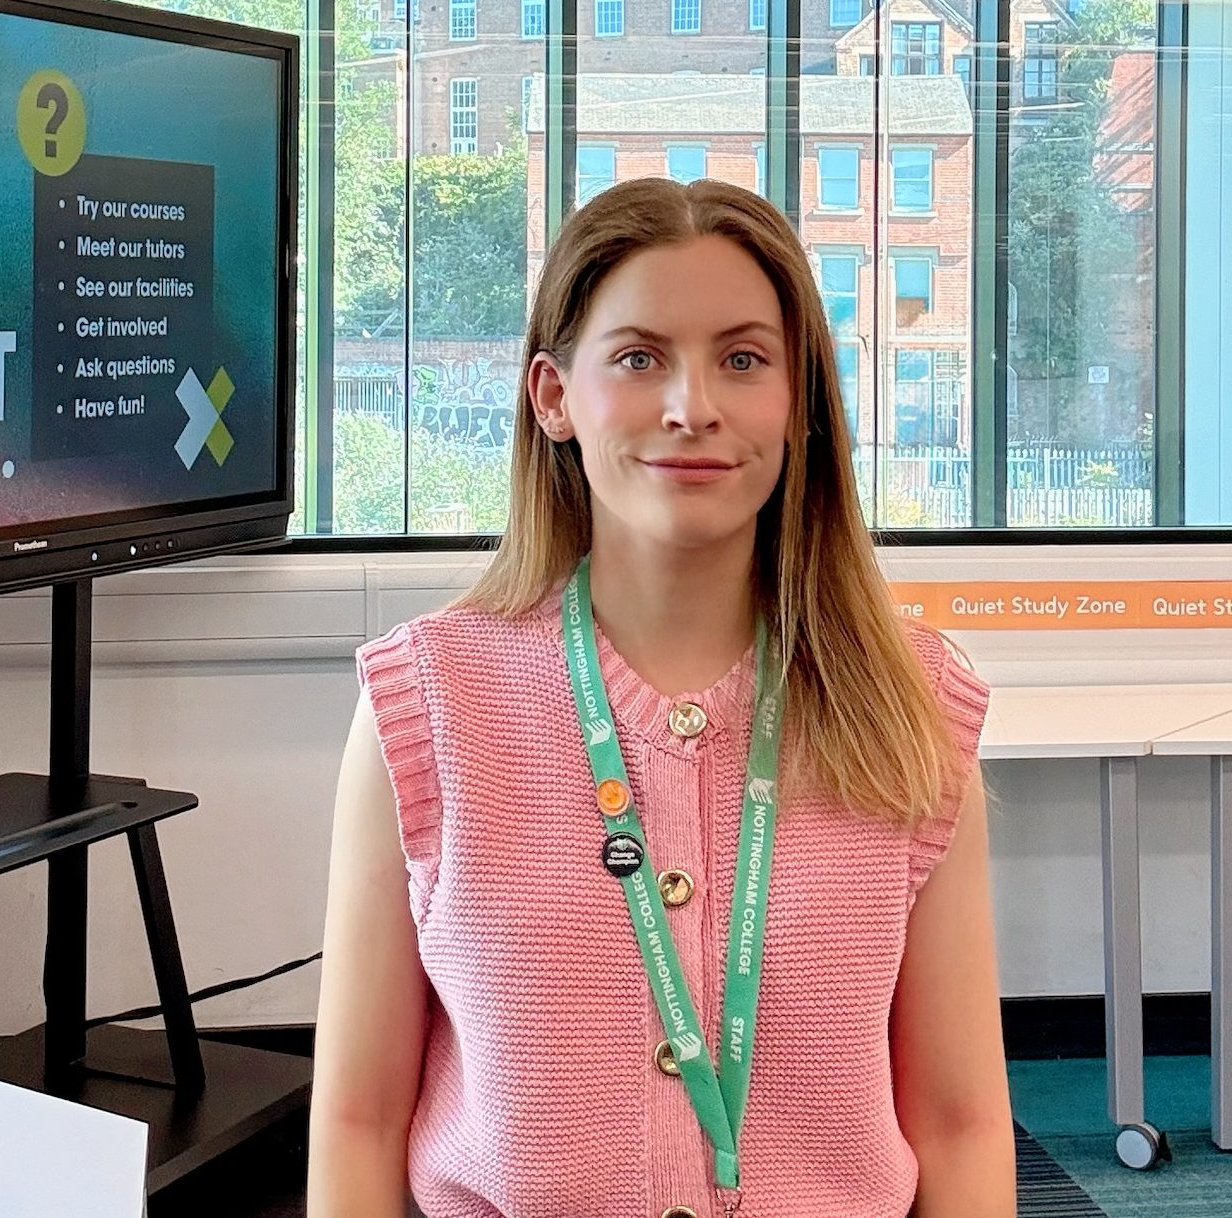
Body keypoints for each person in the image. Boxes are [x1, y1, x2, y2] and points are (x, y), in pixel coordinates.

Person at [308, 177, 1014, 1218]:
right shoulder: (430, 706)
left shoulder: (907, 707)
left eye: (742, 359)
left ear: (796, 400)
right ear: (552, 396)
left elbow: (957, 1125)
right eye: (638, 358)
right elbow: (357, 1121)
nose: (694, 406)